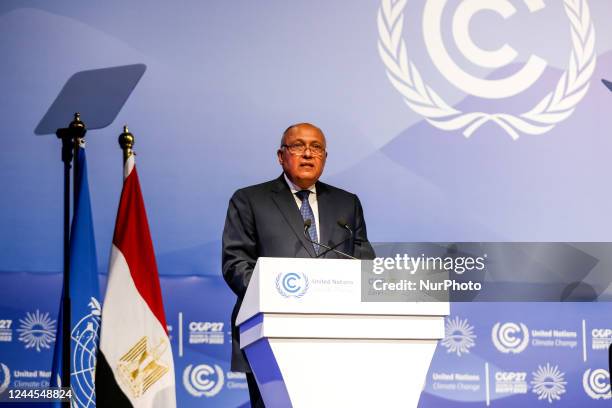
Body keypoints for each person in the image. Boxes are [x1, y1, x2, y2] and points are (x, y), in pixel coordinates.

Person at [221, 123, 374, 407]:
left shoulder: (347, 203)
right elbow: (236, 263)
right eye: (298, 146)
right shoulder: (250, 200)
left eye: (316, 147)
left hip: (339, 335)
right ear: (281, 156)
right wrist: (281, 294)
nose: (307, 154)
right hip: (272, 334)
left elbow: (364, 262)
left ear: (325, 157)